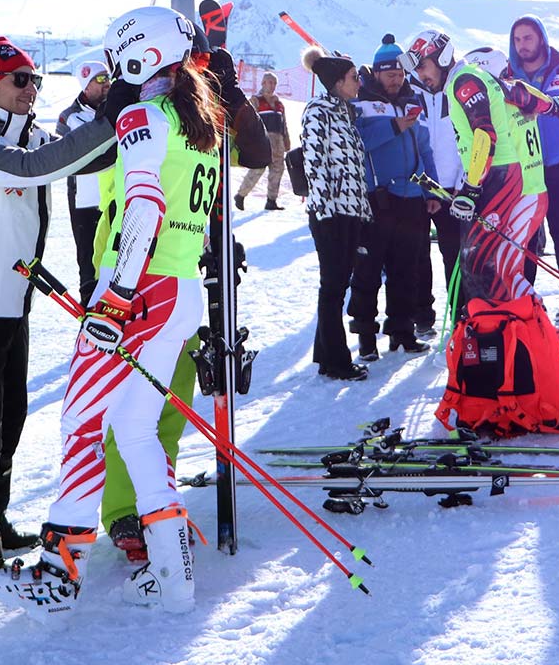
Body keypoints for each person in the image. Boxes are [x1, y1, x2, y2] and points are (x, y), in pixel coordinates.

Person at [0, 6, 219, 620]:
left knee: (81, 422)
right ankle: (173, 576)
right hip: (179, 291)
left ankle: (58, 573)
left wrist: (115, 297)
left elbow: (143, 203)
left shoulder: (144, 114)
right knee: (137, 430)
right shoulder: (195, 119)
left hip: (139, 290)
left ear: (135, 56)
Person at [0, 35, 122, 582]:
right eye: (20, 80)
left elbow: (87, 155)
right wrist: (110, 116)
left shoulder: (28, 131)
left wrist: (128, 112)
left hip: (13, 302)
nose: (31, 89)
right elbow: (35, 168)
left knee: (9, 423)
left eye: (36, 80)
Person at [100, 36, 271, 561]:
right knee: (124, 403)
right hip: (126, 268)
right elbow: (111, 114)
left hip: (175, 271)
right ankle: (123, 508)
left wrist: (233, 93)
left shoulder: (199, 118)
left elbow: (259, 153)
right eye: (189, 63)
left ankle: (155, 498)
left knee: (169, 397)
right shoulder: (134, 108)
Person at [441, 47, 559, 307]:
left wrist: (472, 187)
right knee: (506, 269)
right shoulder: (514, 93)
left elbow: (485, 137)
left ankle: (534, 326)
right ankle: (516, 327)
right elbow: (533, 96)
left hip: (518, 196)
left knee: (503, 272)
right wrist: (554, 106)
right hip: (531, 192)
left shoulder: (498, 97)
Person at [348, 34, 437, 361]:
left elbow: (425, 148)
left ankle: (402, 332)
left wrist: (432, 191)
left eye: (400, 74)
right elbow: (360, 144)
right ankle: (366, 336)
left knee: (407, 269)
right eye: (390, 74)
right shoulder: (360, 102)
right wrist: (395, 126)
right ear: (377, 73)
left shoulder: (415, 100)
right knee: (368, 270)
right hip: (378, 198)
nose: (396, 79)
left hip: (413, 198)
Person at [507, 16, 559, 322]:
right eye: (517, 40)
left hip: (558, 165)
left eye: (528, 38)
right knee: (525, 234)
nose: (522, 45)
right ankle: (524, 294)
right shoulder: (507, 75)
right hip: (523, 169)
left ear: (541, 38)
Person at [300, 46, 372, 381]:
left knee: (337, 285)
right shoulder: (318, 111)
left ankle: (327, 357)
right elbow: (314, 164)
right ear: (337, 82)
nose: (359, 83)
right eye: (353, 77)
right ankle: (338, 362)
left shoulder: (346, 111)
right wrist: (326, 213)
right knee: (332, 287)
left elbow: (355, 167)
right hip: (330, 212)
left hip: (350, 210)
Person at [403, 31, 463, 336]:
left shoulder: (466, 86)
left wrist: (463, 186)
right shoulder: (412, 90)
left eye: (423, 65)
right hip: (422, 187)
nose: (419, 74)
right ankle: (421, 316)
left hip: (455, 192)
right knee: (416, 256)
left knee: (455, 259)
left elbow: (476, 142)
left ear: (441, 58)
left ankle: (462, 320)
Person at [57, 60, 112, 304]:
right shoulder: (70, 116)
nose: (106, 84)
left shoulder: (116, 110)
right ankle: (89, 314)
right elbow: (81, 148)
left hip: (113, 198)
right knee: (89, 266)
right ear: (85, 85)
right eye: (100, 80)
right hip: (86, 204)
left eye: (108, 79)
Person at [235, 71, 289, 211]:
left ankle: (271, 200)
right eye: (269, 82)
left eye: (274, 83)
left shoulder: (279, 104)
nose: (272, 86)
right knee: (257, 169)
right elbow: (247, 121)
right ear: (263, 83)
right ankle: (241, 195)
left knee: (277, 171)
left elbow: (284, 124)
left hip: (278, 143)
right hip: (262, 142)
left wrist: (286, 139)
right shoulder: (256, 101)